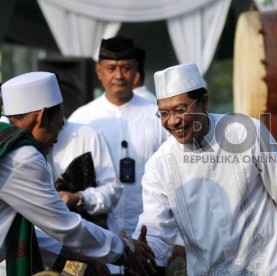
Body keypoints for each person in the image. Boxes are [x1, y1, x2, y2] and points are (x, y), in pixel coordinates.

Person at [134, 63, 277, 275]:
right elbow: (157, 229)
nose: (173, 121)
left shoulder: (247, 133)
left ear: (204, 102)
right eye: (164, 113)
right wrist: (140, 247)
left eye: (180, 109)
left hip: (273, 266)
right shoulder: (159, 166)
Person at [0, 71, 156, 275]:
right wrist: (125, 249)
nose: (57, 137)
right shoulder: (22, 155)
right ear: (40, 116)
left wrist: (76, 257)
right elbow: (64, 225)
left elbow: (23, 233)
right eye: (58, 123)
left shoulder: (6, 142)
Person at [68, 36, 167, 274]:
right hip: (99, 247)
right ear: (98, 71)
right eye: (111, 68)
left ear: (136, 71)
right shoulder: (82, 119)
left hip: (154, 239)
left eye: (126, 68)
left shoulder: (159, 115)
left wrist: (180, 243)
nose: (119, 76)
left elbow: (177, 176)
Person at [36, 118, 122, 271]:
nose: (55, 140)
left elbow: (112, 190)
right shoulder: (17, 149)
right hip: (35, 255)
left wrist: (79, 198)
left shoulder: (87, 135)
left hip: (82, 248)